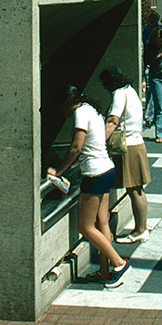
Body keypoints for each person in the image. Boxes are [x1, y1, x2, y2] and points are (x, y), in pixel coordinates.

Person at [46, 85, 132, 286]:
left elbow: (76, 148)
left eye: (61, 106)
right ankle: (104, 271)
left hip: (94, 174)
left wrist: (58, 171)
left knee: (85, 226)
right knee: (102, 222)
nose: (61, 111)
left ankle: (119, 264)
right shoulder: (91, 109)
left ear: (67, 102)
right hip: (107, 170)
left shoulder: (79, 113)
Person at [99, 66, 151, 242]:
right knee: (136, 189)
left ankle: (140, 231)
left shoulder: (119, 94)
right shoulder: (130, 91)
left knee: (134, 190)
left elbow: (113, 120)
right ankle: (141, 228)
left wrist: (99, 141)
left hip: (128, 147)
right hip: (137, 143)